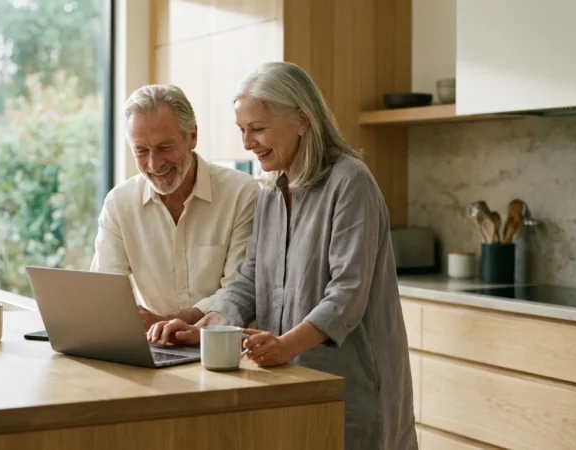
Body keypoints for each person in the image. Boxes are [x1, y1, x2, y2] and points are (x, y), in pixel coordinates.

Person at [146, 62, 418, 449]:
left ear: (302, 120)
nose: (246, 142)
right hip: (289, 382)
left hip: (352, 385)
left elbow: (347, 295)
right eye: (242, 130)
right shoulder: (272, 192)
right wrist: (204, 328)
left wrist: (286, 344)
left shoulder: (350, 181)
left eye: (257, 128)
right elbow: (248, 282)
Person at [90, 84, 260, 330]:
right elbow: (105, 290)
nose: (154, 163)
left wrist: (168, 321)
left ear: (192, 136)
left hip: (226, 347)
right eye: (141, 151)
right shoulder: (119, 203)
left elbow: (239, 290)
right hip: (155, 345)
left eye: (164, 148)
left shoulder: (242, 194)